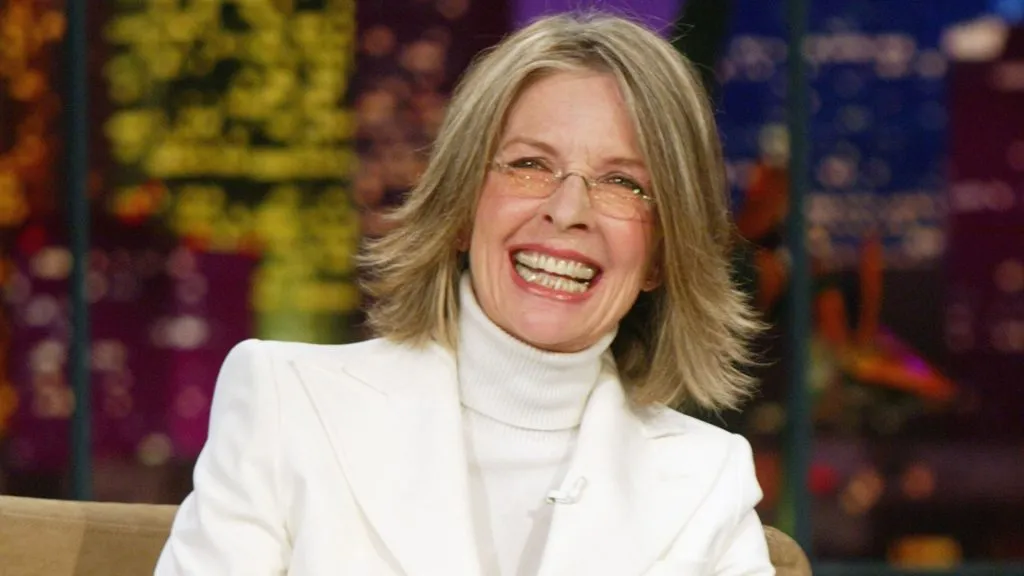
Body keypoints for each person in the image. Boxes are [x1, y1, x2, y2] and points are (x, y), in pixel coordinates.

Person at [156, 11, 774, 576]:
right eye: (530, 165)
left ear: (662, 254)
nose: (568, 211)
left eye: (622, 183)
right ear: (460, 205)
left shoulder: (705, 481)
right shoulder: (288, 404)